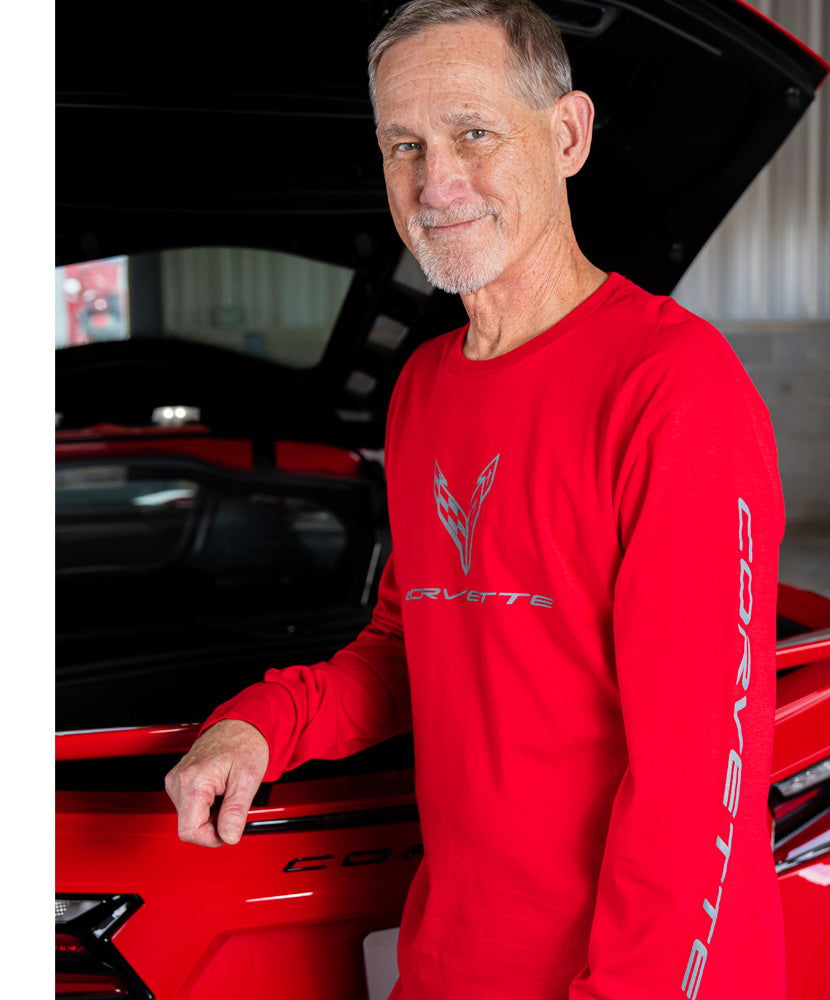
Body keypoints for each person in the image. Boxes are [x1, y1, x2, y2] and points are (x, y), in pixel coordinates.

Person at [165, 2, 786, 998]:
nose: (435, 183)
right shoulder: (424, 388)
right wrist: (265, 723)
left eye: (473, 132)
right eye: (403, 145)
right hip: (454, 960)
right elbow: (411, 645)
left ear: (568, 134)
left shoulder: (671, 387)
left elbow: (698, 779)